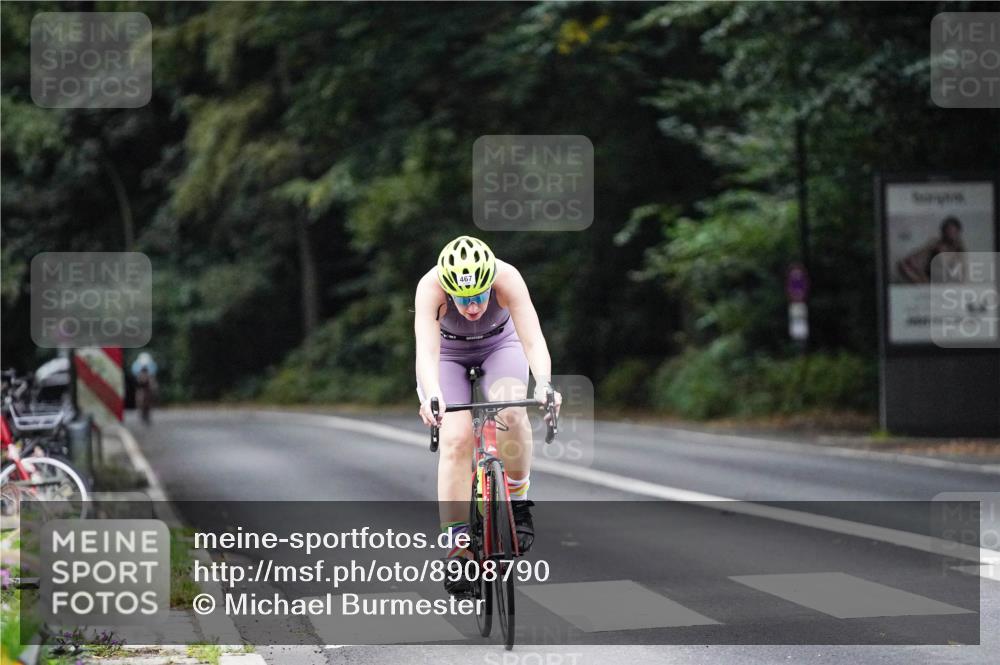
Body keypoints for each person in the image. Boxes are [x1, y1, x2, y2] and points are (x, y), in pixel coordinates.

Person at [414, 236, 561, 595]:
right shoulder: (430, 287)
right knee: (456, 439)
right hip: (448, 354)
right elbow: (427, 353)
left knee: (512, 410)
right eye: (463, 299)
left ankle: (518, 500)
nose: (473, 305)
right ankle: (459, 548)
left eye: (480, 295)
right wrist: (431, 394)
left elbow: (532, 340)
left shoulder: (507, 277)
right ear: (448, 290)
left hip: (501, 345)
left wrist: (543, 383)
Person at [897, 216, 967, 284]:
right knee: (903, 265)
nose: (950, 234)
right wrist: (916, 266)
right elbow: (917, 254)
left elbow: (959, 273)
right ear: (943, 232)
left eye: (953, 231)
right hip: (929, 277)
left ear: (958, 232)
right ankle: (925, 283)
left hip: (946, 280)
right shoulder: (936, 243)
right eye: (948, 230)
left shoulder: (960, 248)